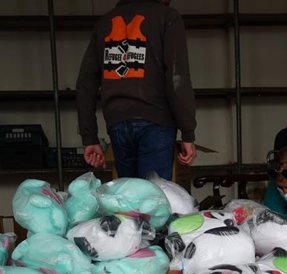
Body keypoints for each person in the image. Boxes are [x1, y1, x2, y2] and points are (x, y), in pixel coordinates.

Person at [76, 0, 197, 180]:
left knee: (130, 194)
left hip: (117, 122)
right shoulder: (167, 17)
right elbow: (176, 77)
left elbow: (85, 84)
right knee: (152, 194)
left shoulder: (104, 23)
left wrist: (90, 138)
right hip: (155, 120)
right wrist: (188, 133)